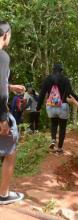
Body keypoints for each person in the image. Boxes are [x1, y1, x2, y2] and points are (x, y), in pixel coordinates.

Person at [0, 21, 25, 204]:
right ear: (6, 35)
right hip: (0, 112)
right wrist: (2, 118)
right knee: (10, 152)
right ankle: (4, 195)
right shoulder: (2, 56)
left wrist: (10, 86)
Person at [37, 64, 78, 154]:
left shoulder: (47, 79)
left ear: (53, 70)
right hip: (63, 106)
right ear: (61, 70)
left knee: (53, 124)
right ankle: (60, 148)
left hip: (51, 106)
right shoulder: (65, 79)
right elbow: (69, 93)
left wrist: (38, 107)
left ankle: (53, 140)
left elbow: (42, 94)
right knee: (62, 127)